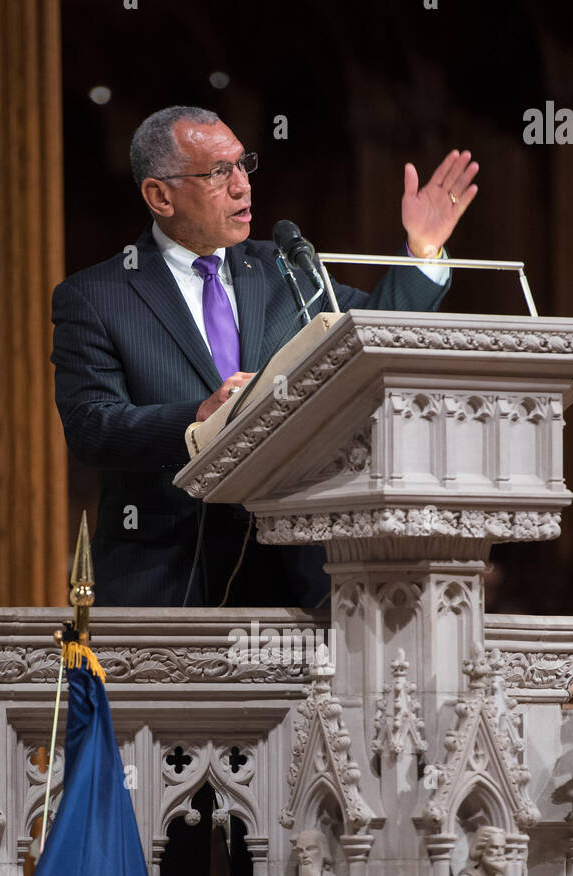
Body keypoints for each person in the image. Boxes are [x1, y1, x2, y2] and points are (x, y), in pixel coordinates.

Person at [51, 104, 478, 608]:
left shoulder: (284, 270)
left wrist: (423, 251)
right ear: (159, 195)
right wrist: (198, 420)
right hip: (166, 578)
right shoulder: (97, 295)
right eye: (217, 172)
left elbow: (371, 333)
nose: (241, 186)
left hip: (295, 581)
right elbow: (91, 426)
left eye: (242, 165)